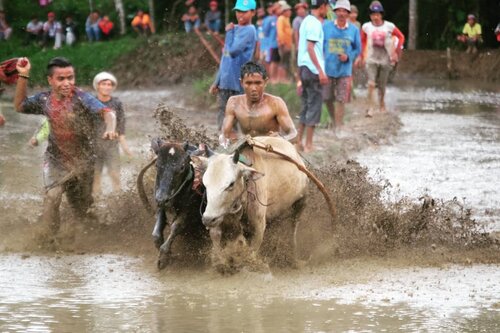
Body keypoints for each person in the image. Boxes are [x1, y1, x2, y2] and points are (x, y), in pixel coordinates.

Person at [13, 57, 117, 234]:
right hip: (55, 159)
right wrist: (23, 76)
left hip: (83, 161)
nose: (67, 83)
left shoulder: (82, 98)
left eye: (71, 78)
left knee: (81, 209)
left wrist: (111, 129)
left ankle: (89, 233)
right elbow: (20, 106)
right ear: (50, 80)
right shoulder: (44, 99)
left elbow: (109, 114)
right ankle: (48, 239)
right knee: (52, 197)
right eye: (61, 79)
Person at [220, 61, 297, 145]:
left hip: (270, 150)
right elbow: (224, 134)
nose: (253, 88)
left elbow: (293, 134)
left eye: (258, 83)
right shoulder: (233, 102)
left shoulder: (276, 103)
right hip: (247, 149)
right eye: (248, 83)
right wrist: (224, 144)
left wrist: (279, 141)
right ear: (241, 83)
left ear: (265, 82)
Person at [209, 0, 257, 130]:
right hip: (225, 81)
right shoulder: (234, 29)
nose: (240, 14)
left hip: (238, 81)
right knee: (222, 113)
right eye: (238, 11)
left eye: (244, 12)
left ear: (253, 12)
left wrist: (229, 33)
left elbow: (233, 51)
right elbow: (225, 59)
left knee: (234, 115)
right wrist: (217, 81)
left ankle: (234, 144)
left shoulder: (250, 30)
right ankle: (223, 143)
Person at [322, 0, 360, 136]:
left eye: (345, 11)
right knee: (326, 98)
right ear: (335, 12)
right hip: (328, 68)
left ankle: (338, 127)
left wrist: (348, 56)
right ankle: (333, 120)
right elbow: (320, 46)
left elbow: (358, 49)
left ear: (348, 14)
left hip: (344, 70)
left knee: (341, 99)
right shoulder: (326, 27)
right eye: (339, 10)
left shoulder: (354, 30)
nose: (342, 13)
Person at [296, 0, 329, 153]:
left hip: (304, 68)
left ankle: (298, 142)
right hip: (313, 70)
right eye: (327, 7)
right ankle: (309, 144)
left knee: (305, 105)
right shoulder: (315, 23)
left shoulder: (305, 21)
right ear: (322, 7)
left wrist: (298, 76)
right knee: (314, 106)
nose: (327, 10)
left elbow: (301, 49)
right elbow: (310, 48)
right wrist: (321, 71)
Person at [360, 1, 404, 115]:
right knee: (371, 83)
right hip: (371, 58)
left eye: (378, 14)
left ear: (381, 15)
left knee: (382, 85)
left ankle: (382, 103)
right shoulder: (366, 27)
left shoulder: (389, 26)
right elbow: (362, 40)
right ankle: (370, 106)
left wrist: (396, 51)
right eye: (373, 14)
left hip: (386, 59)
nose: (375, 17)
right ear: (370, 15)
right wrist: (362, 55)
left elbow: (401, 36)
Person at [92, 72, 132, 194]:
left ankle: (118, 202)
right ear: (97, 86)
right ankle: (96, 204)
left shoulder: (117, 103)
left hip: (111, 145)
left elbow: (121, 125)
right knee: (95, 178)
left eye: (110, 84)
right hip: (94, 146)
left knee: (115, 175)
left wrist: (125, 147)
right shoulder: (91, 102)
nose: (107, 87)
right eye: (104, 84)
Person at [263, 2, 280, 83]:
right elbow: (265, 32)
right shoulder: (268, 19)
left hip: (278, 44)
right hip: (271, 44)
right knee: (272, 61)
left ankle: (275, 79)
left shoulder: (278, 18)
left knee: (276, 61)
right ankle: (271, 79)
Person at [276, 1, 293, 82]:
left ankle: (285, 79)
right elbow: (280, 32)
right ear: (284, 11)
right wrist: (283, 43)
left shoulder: (287, 19)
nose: (290, 12)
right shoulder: (281, 19)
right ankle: (281, 79)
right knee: (283, 62)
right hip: (284, 45)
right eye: (288, 10)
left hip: (288, 45)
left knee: (286, 62)